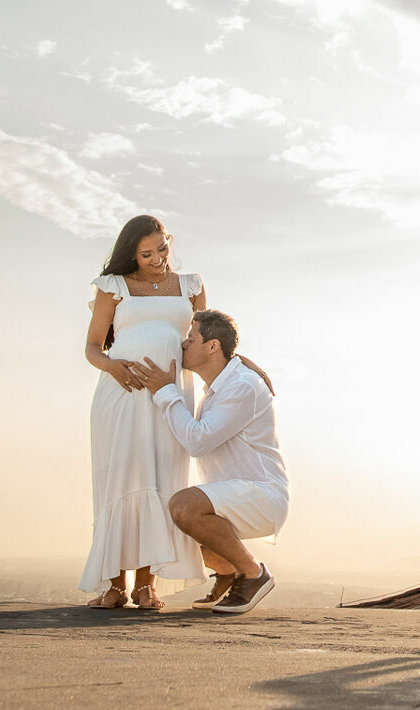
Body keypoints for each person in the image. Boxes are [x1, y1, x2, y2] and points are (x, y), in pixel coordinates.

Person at [79, 215, 208, 608]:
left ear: (170, 240)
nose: (156, 259)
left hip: (170, 396)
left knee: (162, 478)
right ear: (131, 254)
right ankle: (116, 584)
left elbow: (206, 340)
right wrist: (113, 367)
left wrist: (245, 365)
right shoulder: (113, 287)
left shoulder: (191, 286)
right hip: (122, 395)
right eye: (146, 253)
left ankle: (147, 584)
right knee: (121, 480)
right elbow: (92, 347)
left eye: (162, 248)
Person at [126, 309, 289, 616]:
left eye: (191, 337)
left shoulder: (242, 386)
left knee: (183, 506)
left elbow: (198, 442)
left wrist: (165, 392)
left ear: (213, 346)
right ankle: (227, 572)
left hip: (261, 495)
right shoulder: (217, 387)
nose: (183, 344)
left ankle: (253, 574)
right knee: (163, 514)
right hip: (232, 496)